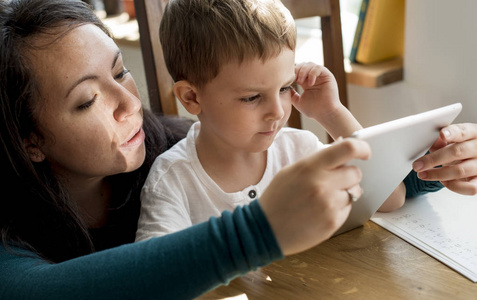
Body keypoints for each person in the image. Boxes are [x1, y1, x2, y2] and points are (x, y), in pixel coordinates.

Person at [0, 0, 475, 299]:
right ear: (29, 141)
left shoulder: (157, 140)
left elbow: (369, 190)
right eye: (86, 100)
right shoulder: (172, 174)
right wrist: (260, 229)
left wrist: (431, 165)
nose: (130, 102)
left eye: (121, 71)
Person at [135, 0, 406, 241]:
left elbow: (391, 198)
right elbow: (150, 278)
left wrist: (331, 113)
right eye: (252, 97)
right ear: (192, 97)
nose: (277, 112)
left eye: (285, 88)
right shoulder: (172, 180)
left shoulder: (298, 149)